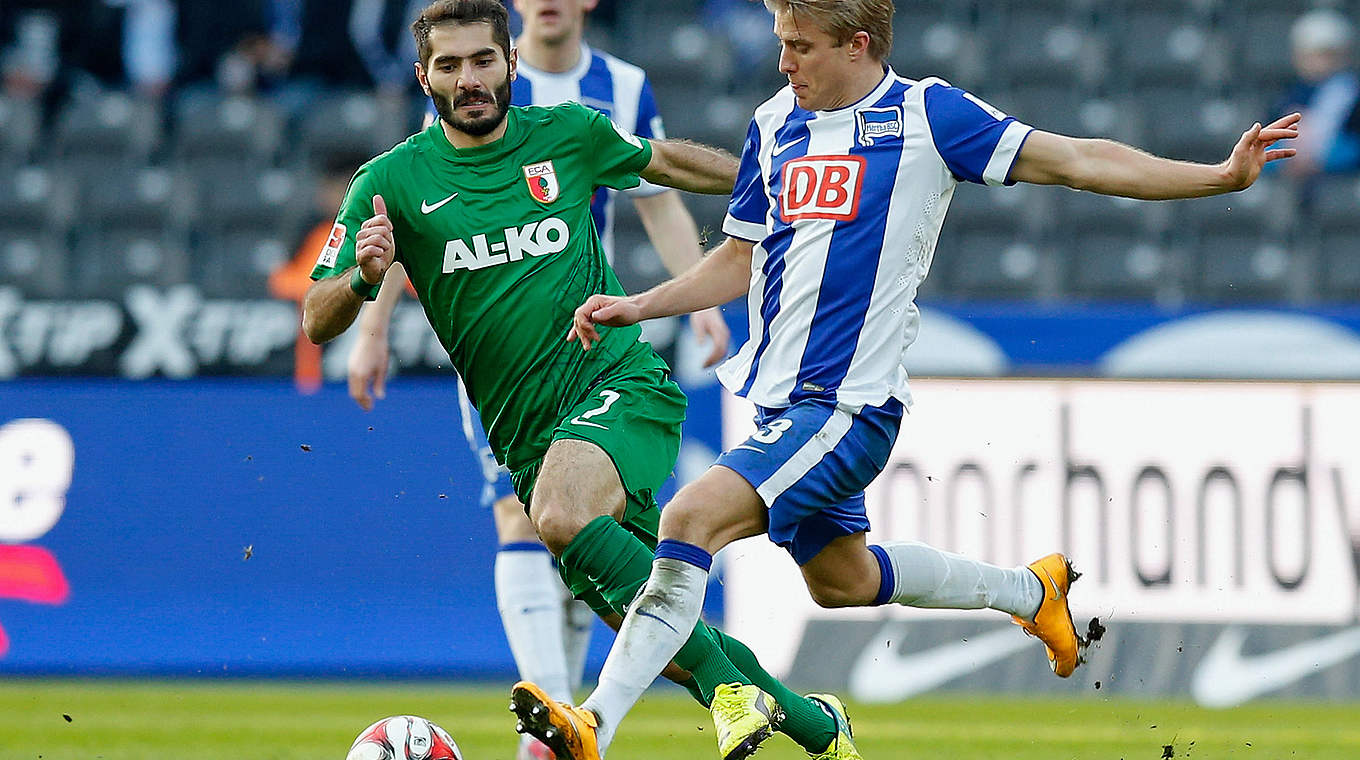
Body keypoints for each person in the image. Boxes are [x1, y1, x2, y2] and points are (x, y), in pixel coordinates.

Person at [511, 1, 1304, 758]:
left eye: (802, 46)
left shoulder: (929, 116)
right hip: (782, 408)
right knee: (843, 583)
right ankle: (1033, 594)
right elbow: (740, 257)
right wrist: (641, 304)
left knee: (688, 519)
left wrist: (1217, 177)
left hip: (847, 408)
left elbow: (1078, 159)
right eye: (782, 42)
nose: (783, 62)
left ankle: (594, 725)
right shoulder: (771, 125)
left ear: (858, 43)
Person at [305, 5, 864, 760]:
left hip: (617, 383)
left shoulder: (566, 132)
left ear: (509, 61)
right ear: (422, 77)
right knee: (658, 627)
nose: (467, 80)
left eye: (481, 61)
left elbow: (665, 165)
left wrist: (783, 184)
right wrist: (363, 282)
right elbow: (316, 317)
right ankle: (821, 729)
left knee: (559, 514)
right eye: (448, 66)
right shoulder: (392, 183)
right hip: (528, 438)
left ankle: (727, 698)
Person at [344, 2, 730, 757]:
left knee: (587, 532)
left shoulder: (619, 87)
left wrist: (701, 289)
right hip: (504, 356)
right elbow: (406, 217)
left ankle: (571, 715)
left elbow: (657, 187)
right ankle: (553, 722)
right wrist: (372, 324)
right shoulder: (467, 93)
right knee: (524, 517)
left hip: (593, 331)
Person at [1273, 8, 1360, 181]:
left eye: (1328, 55)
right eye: (1312, 55)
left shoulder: (1351, 91)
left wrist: (1316, 155)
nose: (1320, 63)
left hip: (1338, 165)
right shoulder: (1291, 93)